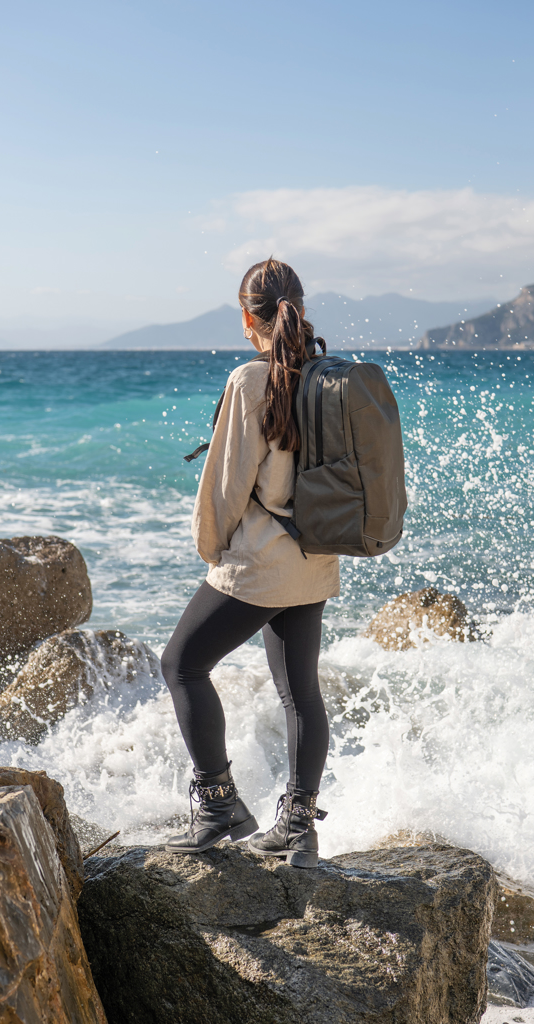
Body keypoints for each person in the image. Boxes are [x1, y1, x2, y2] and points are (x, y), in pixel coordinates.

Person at [161, 258, 340, 869]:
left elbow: (225, 488)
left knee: (182, 664)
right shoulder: (327, 376)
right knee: (300, 695)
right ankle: (298, 826)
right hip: (315, 559)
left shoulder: (249, 379)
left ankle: (217, 806)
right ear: (301, 306)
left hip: (261, 565)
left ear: (246, 317)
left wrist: (213, 554)